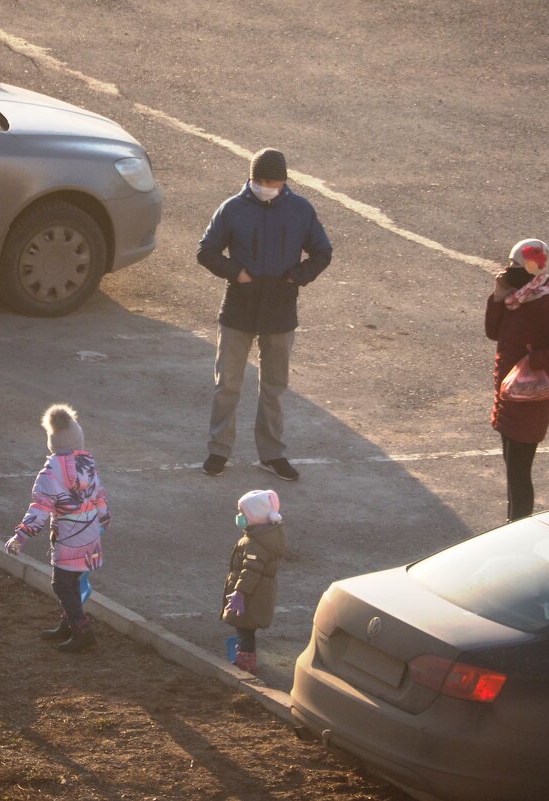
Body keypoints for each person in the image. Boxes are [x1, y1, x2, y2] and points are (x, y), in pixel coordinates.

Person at [197, 148, 333, 481]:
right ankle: (218, 450)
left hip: (280, 307)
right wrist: (236, 272)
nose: (264, 186)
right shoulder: (232, 208)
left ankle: (272, 454)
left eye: (270, 181)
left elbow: (322, 251)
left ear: (283, 181)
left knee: (274, 386)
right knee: (227, 384)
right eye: (258, 180)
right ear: (251, 178)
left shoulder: (301, 210)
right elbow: (206, 251)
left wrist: (296, 277)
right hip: (239, 305)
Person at [486, 239, 549, 521]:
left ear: (532, 269)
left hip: (530, 399)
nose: (511, 271)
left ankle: (517, 528)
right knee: (512, 471)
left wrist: (533, 359)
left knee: (518, 473)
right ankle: (512, 525)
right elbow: (493, 333)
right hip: (510, 395)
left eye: (518, 266)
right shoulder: (516, 299)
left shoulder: (544, 303)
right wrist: (497, 298)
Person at [5, 403, 110, 653]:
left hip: (69, 537)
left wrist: (21, 536)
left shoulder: (50, 474)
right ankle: (70, 623)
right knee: (72, 581)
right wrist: (104, 520)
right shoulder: (88, 465)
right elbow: (100, 496)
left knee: (61, 584)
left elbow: (39, 509)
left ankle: (82, 631)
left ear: (53, 442)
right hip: (90, 533)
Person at [221, 489, 287, 676]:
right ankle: (244, 657)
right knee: (245, 629)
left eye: (243, 513)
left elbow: (251, 571)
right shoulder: (262, 536)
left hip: (252, 596)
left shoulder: (255, 544)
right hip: (258, 593)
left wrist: (240, 592)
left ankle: (246, 665)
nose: (239, 517)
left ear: (255, 516)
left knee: (245, 629)